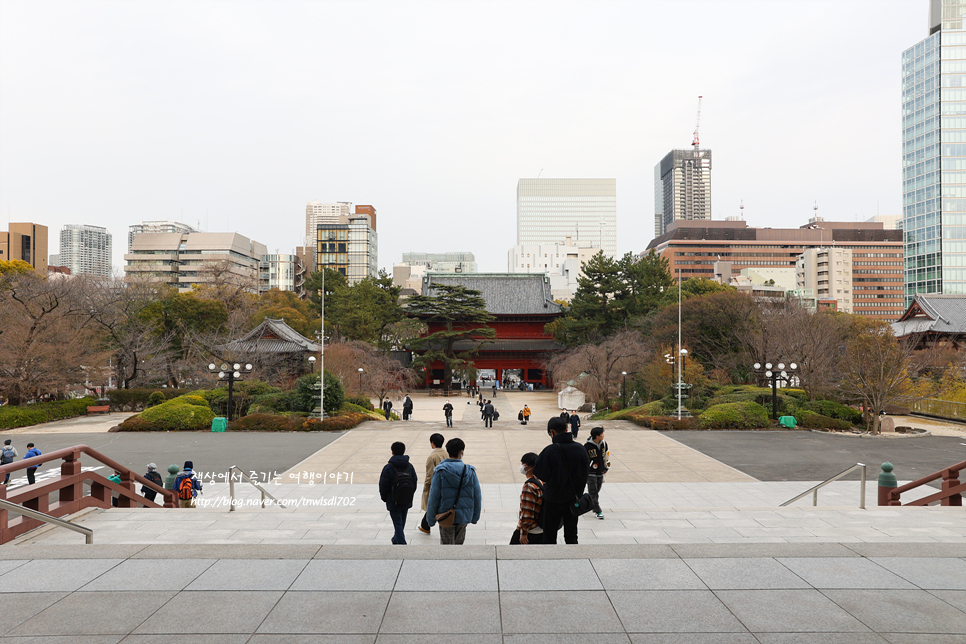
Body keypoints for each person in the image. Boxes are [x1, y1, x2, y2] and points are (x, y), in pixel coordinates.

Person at [533, 416, 590, 544]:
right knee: (571, 534)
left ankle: (551, 560)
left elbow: (540, 473)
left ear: (551, 432)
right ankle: (573, 559)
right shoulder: (580, 449)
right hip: (573, 499)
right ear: (566, 429)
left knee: (549, 534)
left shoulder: (550, 451)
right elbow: (586, 473)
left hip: (553, 499)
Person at [425, 438, 482, 545]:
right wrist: (475, 517)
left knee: (447, 548)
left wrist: (430, 519)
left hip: (445, 515)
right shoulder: (470, 471)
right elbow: (477, 496)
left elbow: (433, 497)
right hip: (464, 516)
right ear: (461, 452)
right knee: (459, 547)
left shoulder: (440, 471)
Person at [379, 441, 418, 545]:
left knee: (397, 523)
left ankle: (401, 544)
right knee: (401, 522)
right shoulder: (409, 466)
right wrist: (410, 495)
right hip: (406, 499)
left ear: (392, 452)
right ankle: (396, 539)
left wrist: (385, 498)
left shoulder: (388, 468)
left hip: (393, 500)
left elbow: (383, 485)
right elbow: (414, 482)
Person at [511, 452, 545, 545]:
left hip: (531, 531)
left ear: (531, 467)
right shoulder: (542, 481)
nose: (521, 466)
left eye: (524, 464)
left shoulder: (529, 486)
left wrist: (523, 533)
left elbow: (527, 512)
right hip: (541, 528)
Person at [418, 433, 447, 535]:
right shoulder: (447, 453)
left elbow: (429, 475)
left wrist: (426, 488)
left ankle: (426, 525)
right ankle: (425, 525)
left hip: (435, 486)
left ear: (432, 443)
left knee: (432, 505)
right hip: (446, 485)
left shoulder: (432, 457)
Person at [585, 427, 608, 519]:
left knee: (596, 490)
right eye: (602, 434)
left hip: (600, 471)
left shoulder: (604, 444)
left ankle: (587, 502)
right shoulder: (587, 447)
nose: (603, 435)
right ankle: (597, 510)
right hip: (591, 472)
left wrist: (606, 467)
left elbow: (606, 455)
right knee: (593, 492)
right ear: (596, 436)